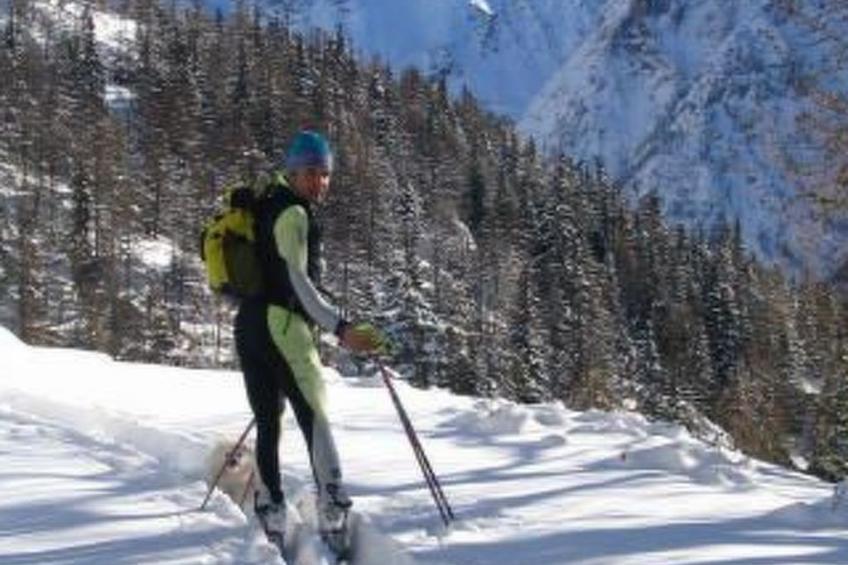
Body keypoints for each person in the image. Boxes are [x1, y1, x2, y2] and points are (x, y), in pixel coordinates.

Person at [234, 130, 387, 550]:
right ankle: (333, 508)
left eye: (325, 174)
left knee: (268, 418)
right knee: (314, 412)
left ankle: (271, 510)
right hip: (282, 325)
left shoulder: (267, 202)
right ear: (293, 171)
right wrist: (342, 328)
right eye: (311, 173)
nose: (319, 182)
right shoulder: (294, 215)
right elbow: (298, 282)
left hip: (248, 323)